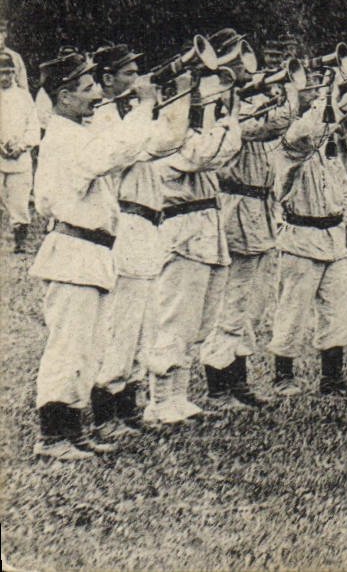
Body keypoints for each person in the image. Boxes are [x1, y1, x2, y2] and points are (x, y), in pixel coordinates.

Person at [30, 53, 168, 460]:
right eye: (87, 89)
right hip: (74, 251)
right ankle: (53, 437)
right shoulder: (65, 136)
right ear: (64, 96)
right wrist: (143, 107)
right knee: (68, 347)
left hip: (88, 253)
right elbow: (114, 154)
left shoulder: (76, 131)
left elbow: (116, 150)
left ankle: (72, 431)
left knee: (87, 348)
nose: (96, 96)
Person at [88, 44, 189, 439]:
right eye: (127, 75)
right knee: (122, 321)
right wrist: (148, 106)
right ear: (108, 79)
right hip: (125, 223)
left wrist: (181, 92)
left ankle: (127, 405)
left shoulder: (133, 116)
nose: (136, 80)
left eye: (137, 73)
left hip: (148, 225)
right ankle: (105, 409)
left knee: (143, 322)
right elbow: (143, 147)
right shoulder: (104, 119)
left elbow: (171, 140)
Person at [142, 72, 246, 421]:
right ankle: (159, 402)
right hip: (182, 229)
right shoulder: (163, 138)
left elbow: (223, 151)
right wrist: (228, 118)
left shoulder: (193, 136)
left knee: (197, 322)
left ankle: (179, 396)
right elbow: (204, 156)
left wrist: (228, 117)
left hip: (205, 231)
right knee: (174, 317)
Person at [207, 33, 296, 410]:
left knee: (252, 305)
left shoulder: (248, 99)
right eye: (237, 58)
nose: (246, 65)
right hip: (237, 206)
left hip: (259, 209)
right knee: (231, 301)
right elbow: (264, 128)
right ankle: (218, 385)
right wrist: (292, 96)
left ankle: (237, 380)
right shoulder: (217, 102)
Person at [269, 74, 347, 395]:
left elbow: (345, 189)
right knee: (293, 309)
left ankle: (332, 377)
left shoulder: (328, 148)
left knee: (339, 310)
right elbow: (302, 136)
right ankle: (283, 376)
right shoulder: (288, 146)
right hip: (301, 237)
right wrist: (323, 104)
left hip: (334, 236)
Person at [1, 50, 43, 254]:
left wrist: (22, 145)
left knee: (19, 202)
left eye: (8, 72)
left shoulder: (24, 97)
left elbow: (33, 126)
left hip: (20, 158)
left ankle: (20, 243)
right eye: (0, 72)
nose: (4, 77)